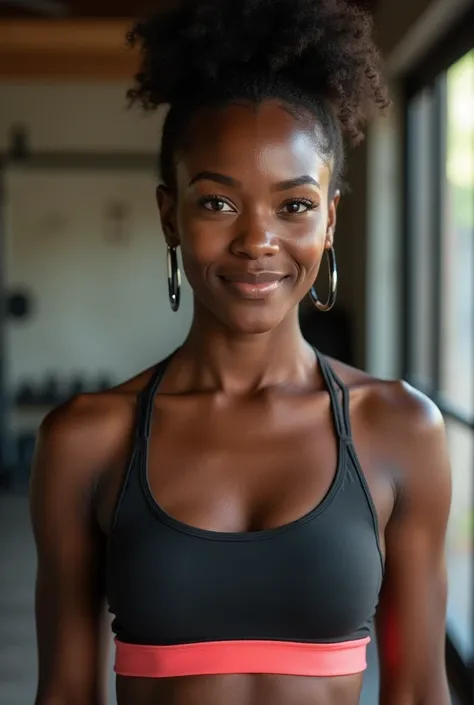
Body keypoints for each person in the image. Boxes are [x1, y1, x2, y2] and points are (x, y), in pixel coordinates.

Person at [29, 1, 452, 704]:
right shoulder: (86, 437)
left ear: (330, 218)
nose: (258, 242)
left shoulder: (401, 428)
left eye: (293, 205)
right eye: (218, 203)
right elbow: (66, 692)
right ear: (171, 213)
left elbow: (417, 693)